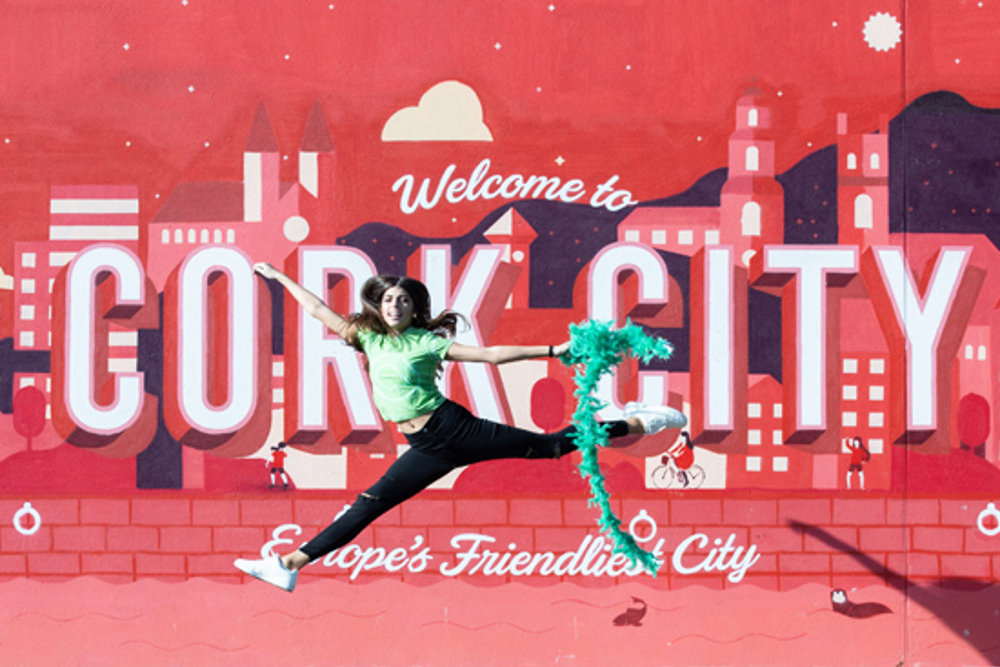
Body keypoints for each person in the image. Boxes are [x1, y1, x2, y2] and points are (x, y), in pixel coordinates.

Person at [235, 262, 687, 591]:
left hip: (452, 429)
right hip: (425, 447)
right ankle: (290, 564)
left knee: (550, 448)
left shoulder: (426, 341)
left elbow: (490, 356)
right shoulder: (367, 338)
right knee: (369, 505)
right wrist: (279, 277)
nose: (396, 305)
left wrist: (553, 349)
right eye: (389, 299)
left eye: (404, 300)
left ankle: (635, 422)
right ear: (379, 306)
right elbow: (317, 309)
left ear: (415, 309)